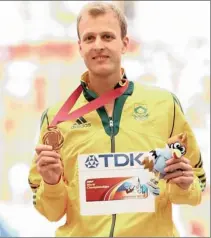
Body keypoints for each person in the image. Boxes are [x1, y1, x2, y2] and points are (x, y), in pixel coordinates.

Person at [28, 2, 206, 237]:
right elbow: (51, 212)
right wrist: (51, 184)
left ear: (124, 43)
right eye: (89, 38)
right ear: (80, 47)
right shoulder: (56, 119)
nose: (98, 45)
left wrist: (184, 184)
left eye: (107, 36)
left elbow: (196, 183)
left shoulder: (164, 106)